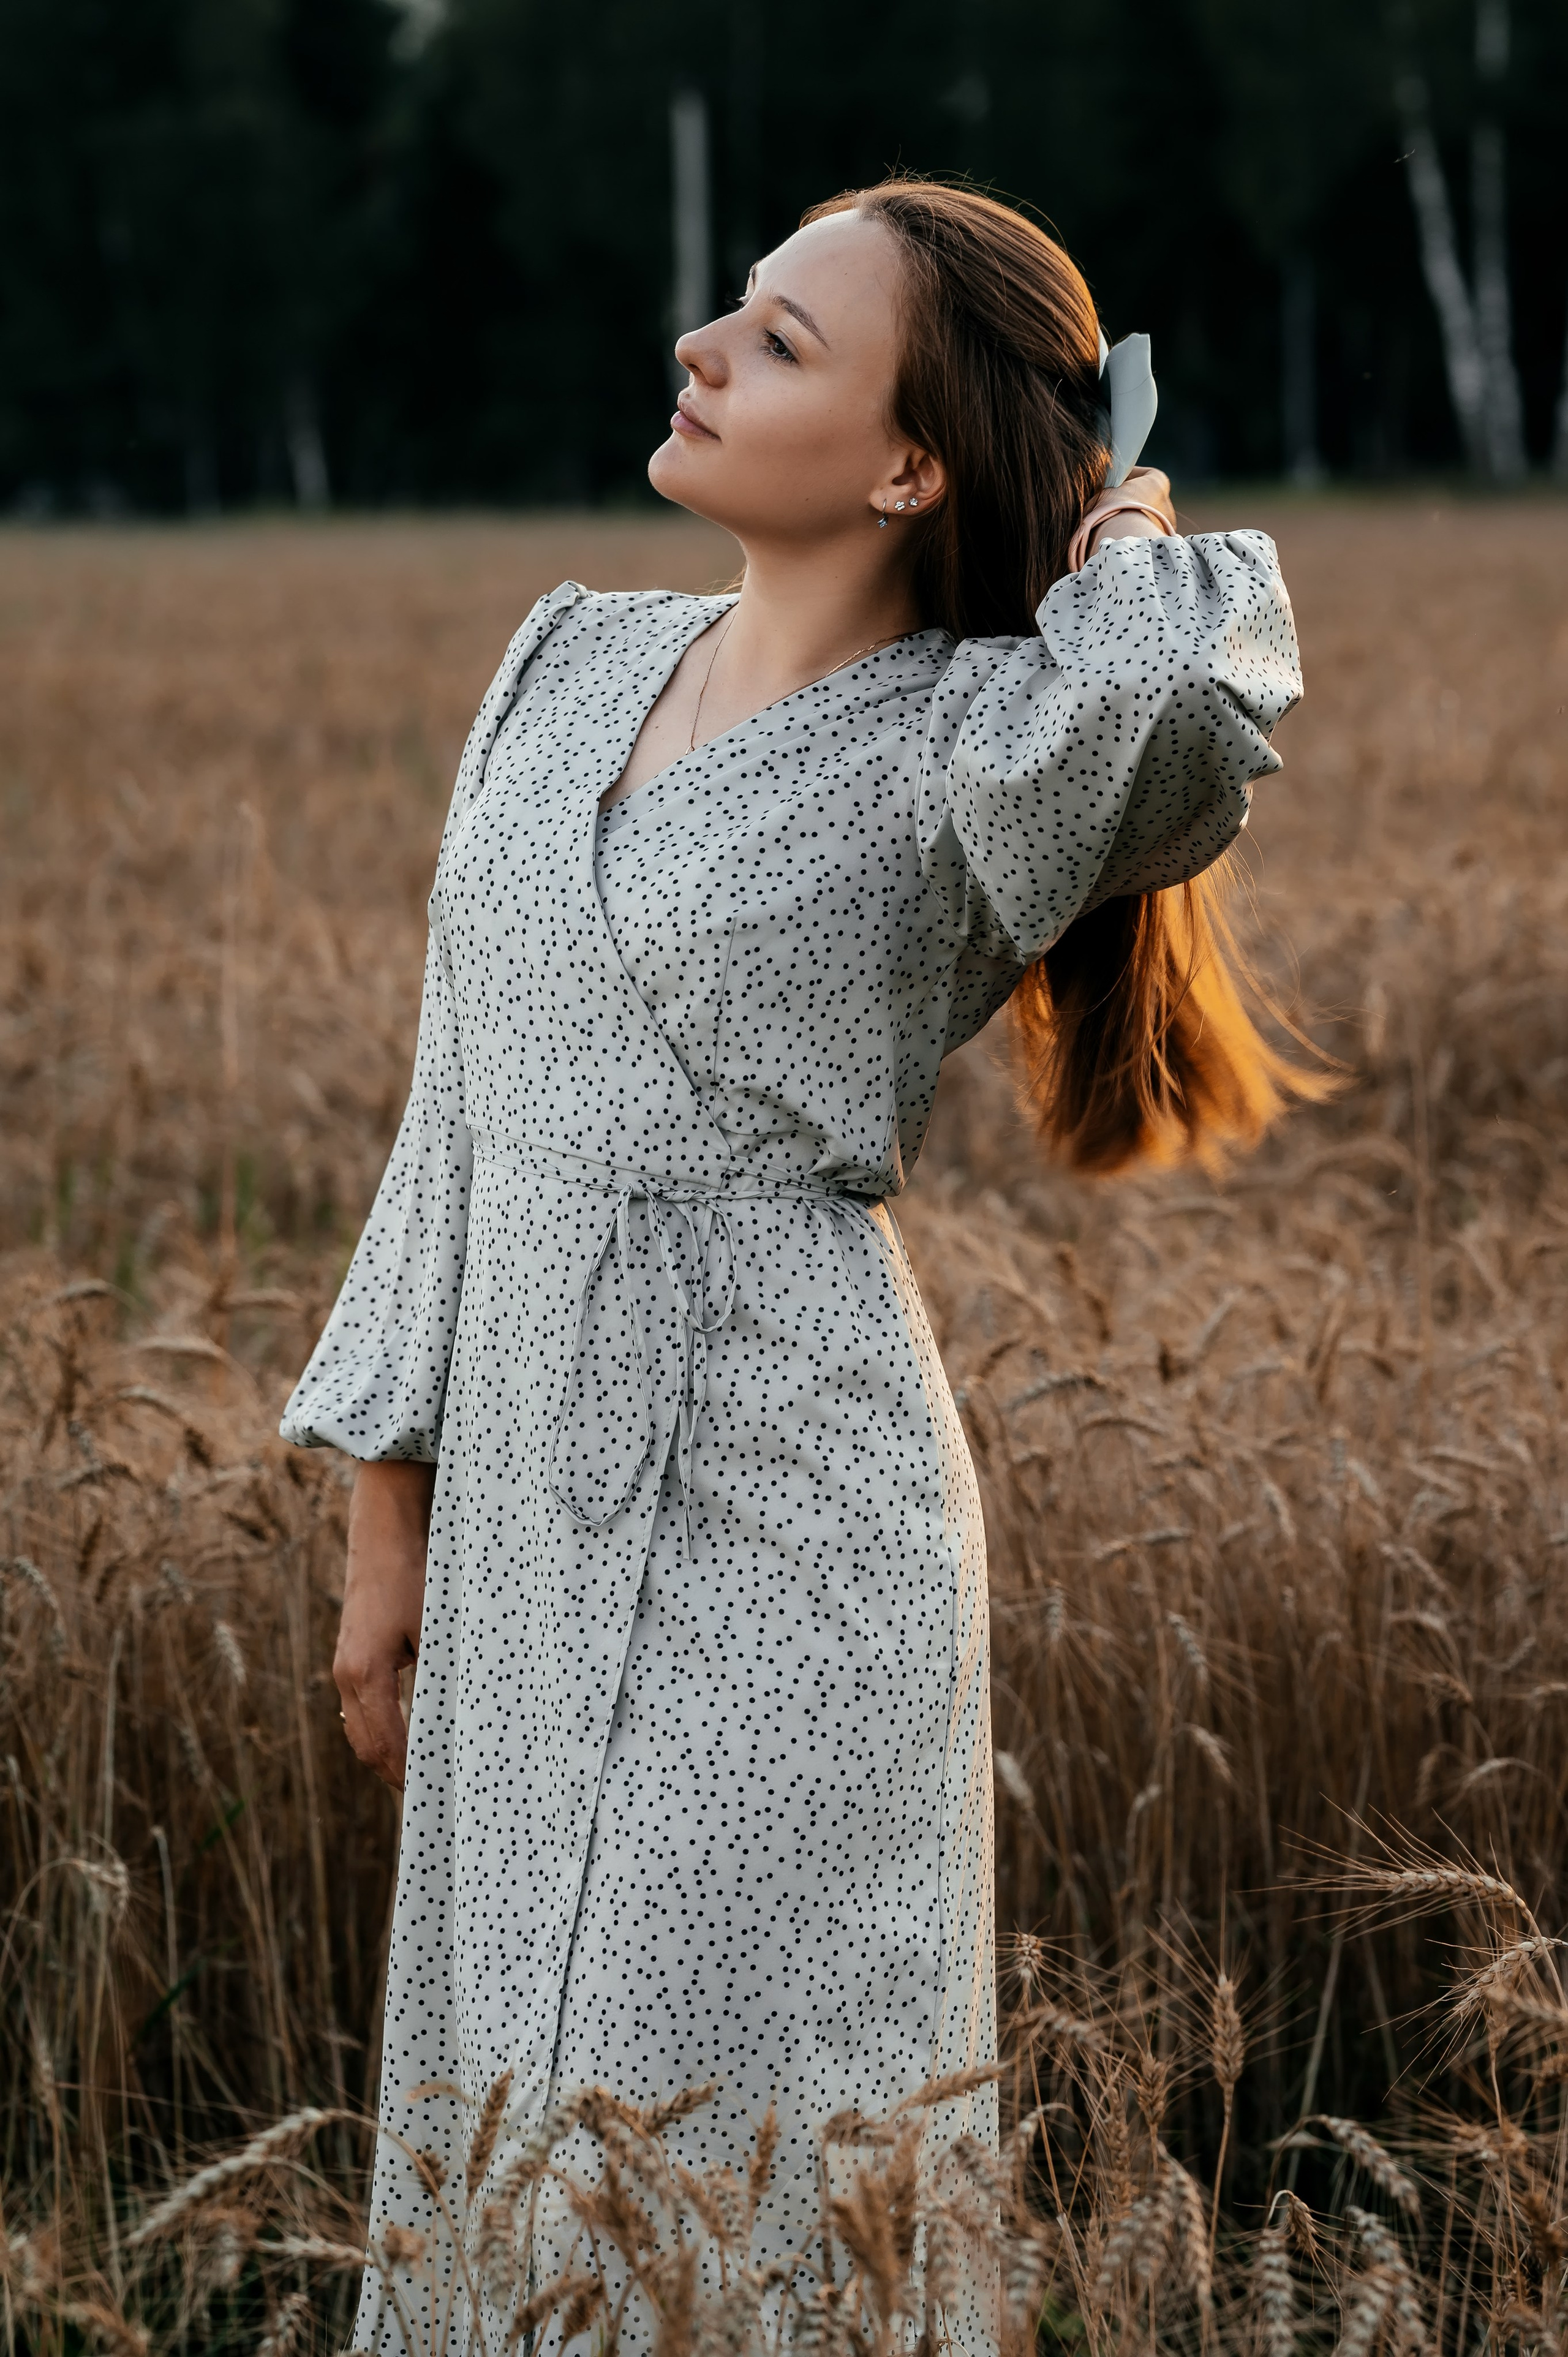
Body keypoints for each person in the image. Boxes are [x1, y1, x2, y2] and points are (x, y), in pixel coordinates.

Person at [280, 178, 1305, 2351]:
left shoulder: (977, 752)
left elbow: (1177, 700)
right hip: (528, 1506)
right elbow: (458, 1104)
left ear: (912, 466)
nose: (703, 350)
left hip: (791, 1518)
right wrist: (389, 1507)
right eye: (732, 313)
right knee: (517, 2113)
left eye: (779, 341)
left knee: (731, 2148)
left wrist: (1115, 519)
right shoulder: (563, 656)